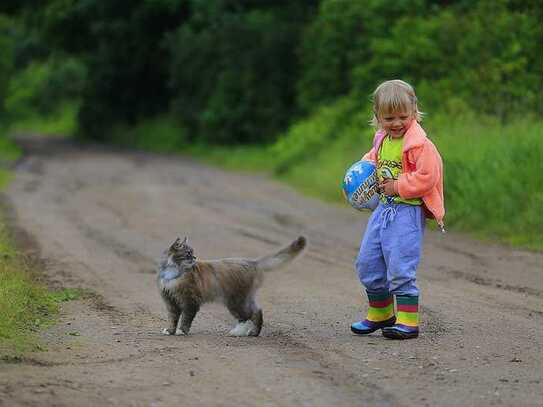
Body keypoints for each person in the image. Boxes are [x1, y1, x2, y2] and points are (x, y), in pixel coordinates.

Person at [350, 79, 445, 339]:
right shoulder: (382, 139)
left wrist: (398, 186)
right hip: (383, 211)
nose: (396, 123)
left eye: (403, 116)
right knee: (368, 262)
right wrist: (359, 173)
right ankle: (381, 314)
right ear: (378, 116)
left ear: (414, 112)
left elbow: (428, 176)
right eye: (389, 117)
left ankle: (407, 321)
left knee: (400, 264)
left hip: (406, 213)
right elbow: (373, 159)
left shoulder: (420, 145)